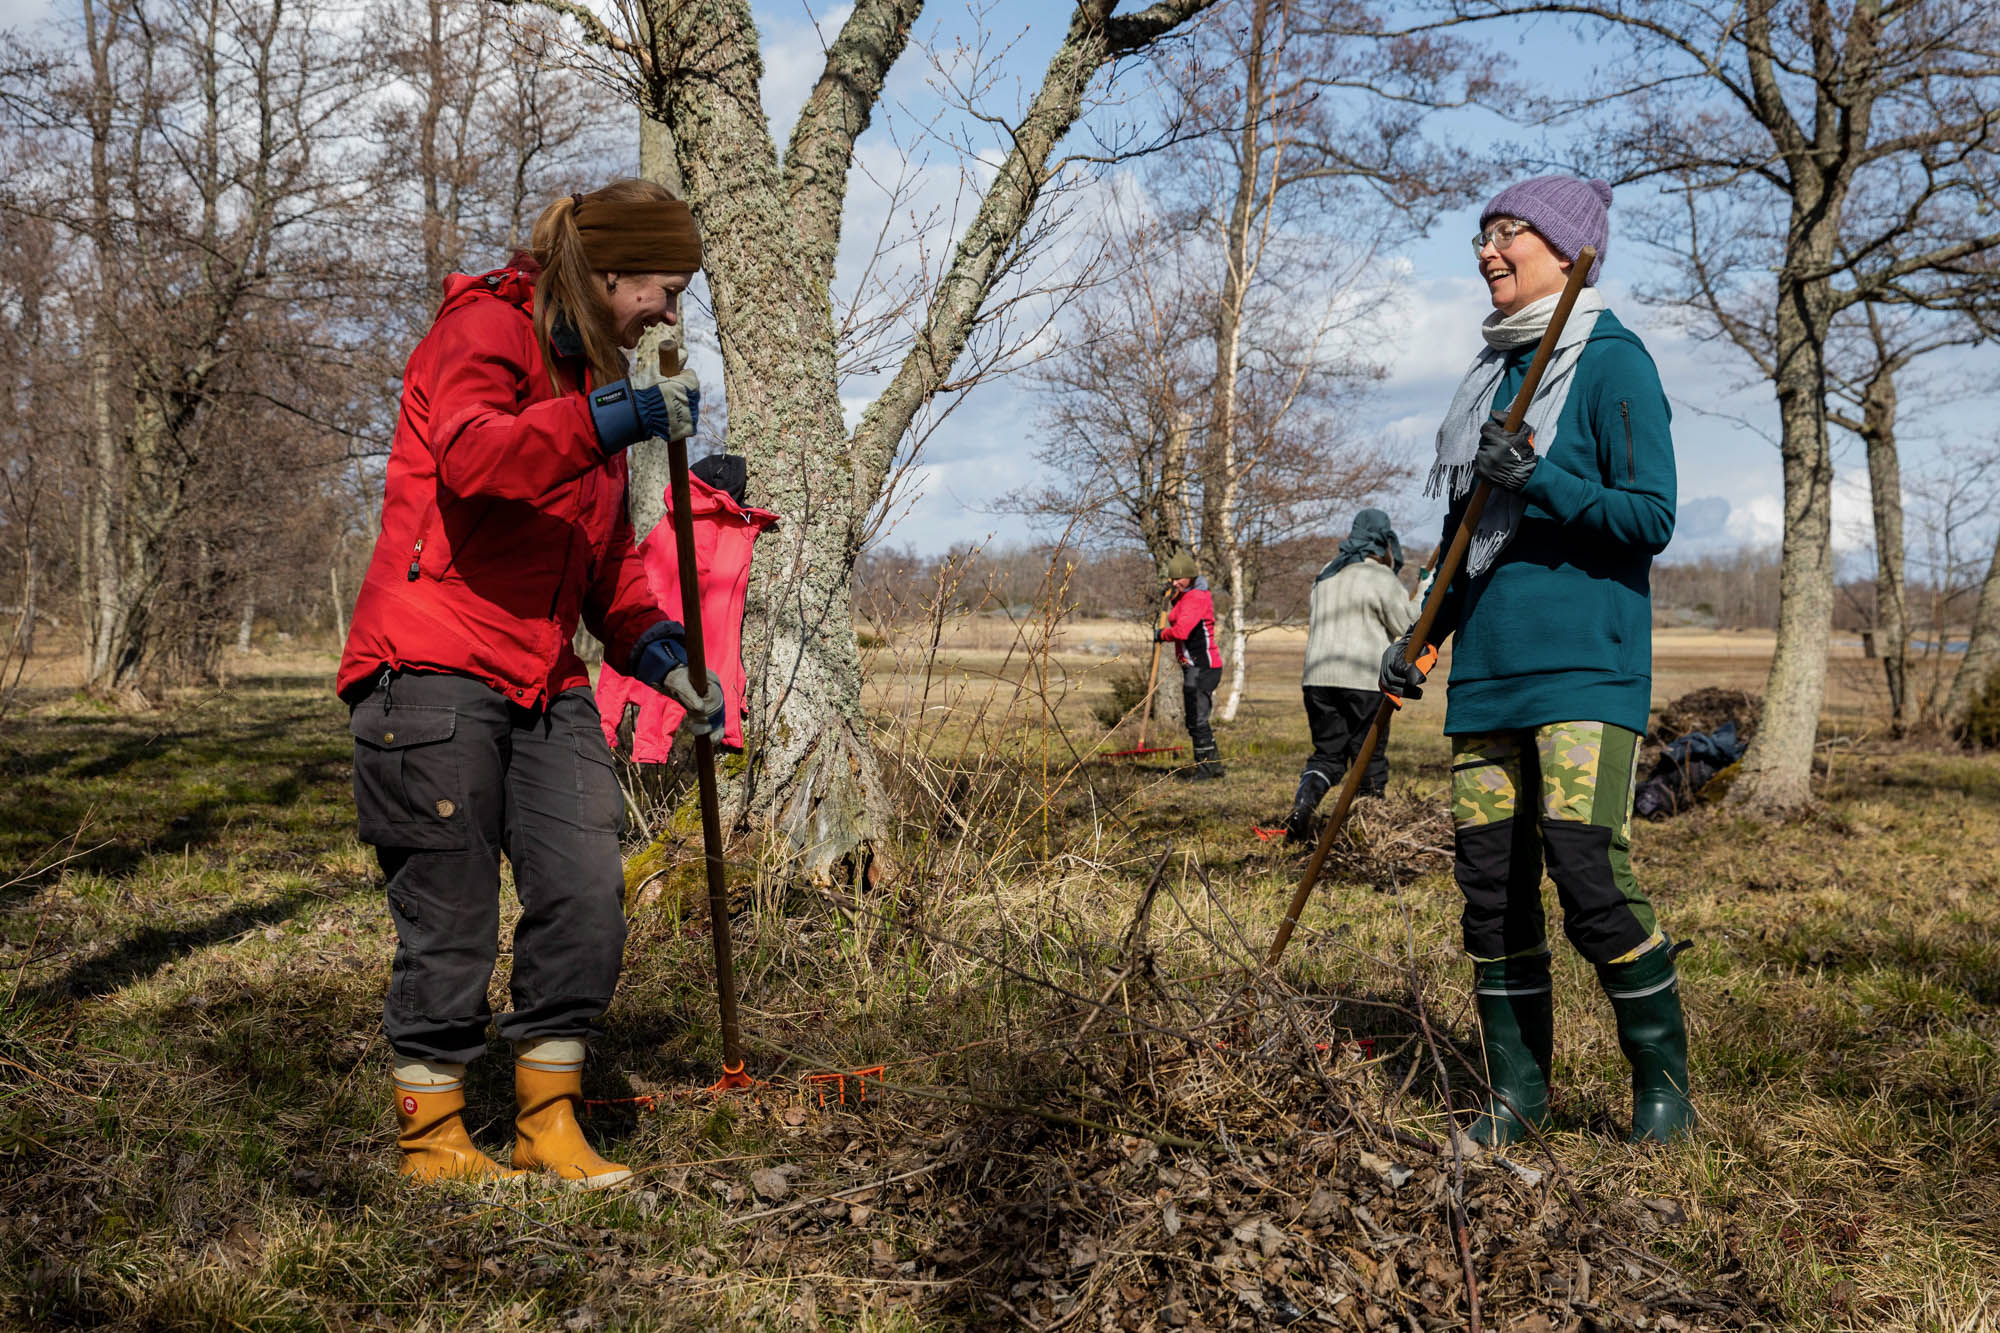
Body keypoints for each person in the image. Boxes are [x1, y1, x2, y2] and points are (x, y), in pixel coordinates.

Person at [337, 180, 725, 1186]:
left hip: (543, 675)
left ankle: (548, 1121)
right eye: (663, 286)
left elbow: (600, 568)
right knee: (451, 916)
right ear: (606, 273)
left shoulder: (590, 379)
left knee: (587, 893)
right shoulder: (484, 329)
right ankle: (434, 1140)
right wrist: (616, 414)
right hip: (426, 668)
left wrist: (660, 653)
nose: (670, 312)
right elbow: (473, 459)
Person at [1379, 175, 1693, 1145]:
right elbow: (1463, 532)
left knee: (1585, 872)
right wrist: (1418, 636)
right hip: (1486, 675)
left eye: (1508, 233)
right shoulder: (1490, 376)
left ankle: (1662, 1090)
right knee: (1488, 887)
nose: (1486, 250)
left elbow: (1649, 517)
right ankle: (1516, 1093)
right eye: (1480, 235)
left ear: (1565, 251)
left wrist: (1542, 476)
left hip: (1582, 673)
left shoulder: (1611, 362)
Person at [1278, 508, 1418, 842]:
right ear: (1383, 541)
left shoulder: (1327, 572)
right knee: (1369, 756)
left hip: (1317, 679)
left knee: (1328, 754)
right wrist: (1425, 590)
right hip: (1363, 679)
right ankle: (1368, 832)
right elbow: (1406, 628)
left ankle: (1303, 806)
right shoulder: (1380, 578)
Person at [1157, 550, 1224, 780]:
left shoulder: (1196, 597)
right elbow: (1178, 612)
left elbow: (1182, 629)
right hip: (1193, 667)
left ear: (1190, 576)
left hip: (1203, 667)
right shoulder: (1186, 595)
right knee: (1194, 719)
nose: (1174, 582)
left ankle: (1206, 769)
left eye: (1178, 579)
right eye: (1172, 579)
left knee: (1197, 719)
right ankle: (1213, 767)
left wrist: (1162, 634)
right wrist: (1173, 596)